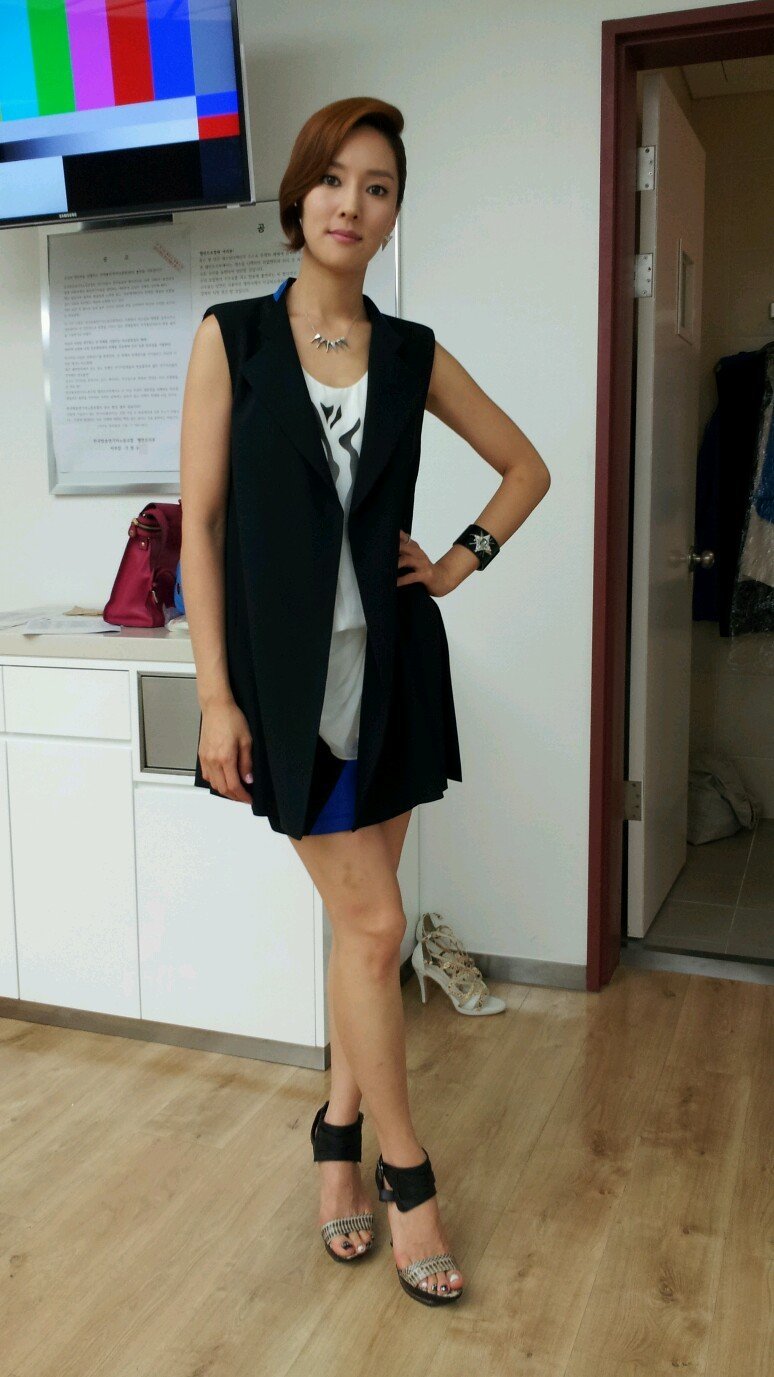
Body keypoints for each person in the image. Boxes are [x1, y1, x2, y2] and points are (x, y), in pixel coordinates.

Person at [180, 96, 551, 1307]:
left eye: (378, 186)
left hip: (393, 676)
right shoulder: (232, 337)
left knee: (362, 934)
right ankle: (408, 1176)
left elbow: (527, 467)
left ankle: (334, 1134)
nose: (353, 203)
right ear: (301, 196)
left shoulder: (411, 352)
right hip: (286, 692)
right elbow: (200, 529)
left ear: (394, 214)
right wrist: (215, 696)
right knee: (378, 927)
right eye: (335, 179)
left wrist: (455, 564)